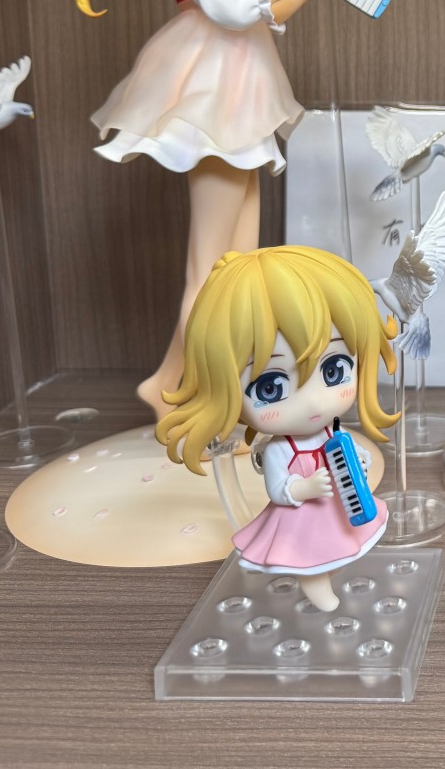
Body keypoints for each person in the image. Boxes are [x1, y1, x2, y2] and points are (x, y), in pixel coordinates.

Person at [55, 0, 323, 418]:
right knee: (211, 269)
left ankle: (213, 385)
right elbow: (231, 9)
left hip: (239, 107)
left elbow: (259, 13)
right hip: (216, 110)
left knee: (240, 268)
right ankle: (173, 386)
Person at [156, 246, 398, 612]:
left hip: (337, 506)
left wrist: (359, 460)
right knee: (309, 556)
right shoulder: (279, 449)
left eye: (334, 370)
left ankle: (329, 573)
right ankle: (317, 588)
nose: (314, 402)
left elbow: (351, 453)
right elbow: (278, 489)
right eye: (270, 388)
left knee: (339, 546)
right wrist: (304, 487)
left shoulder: (331, 432)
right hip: (301, 517)